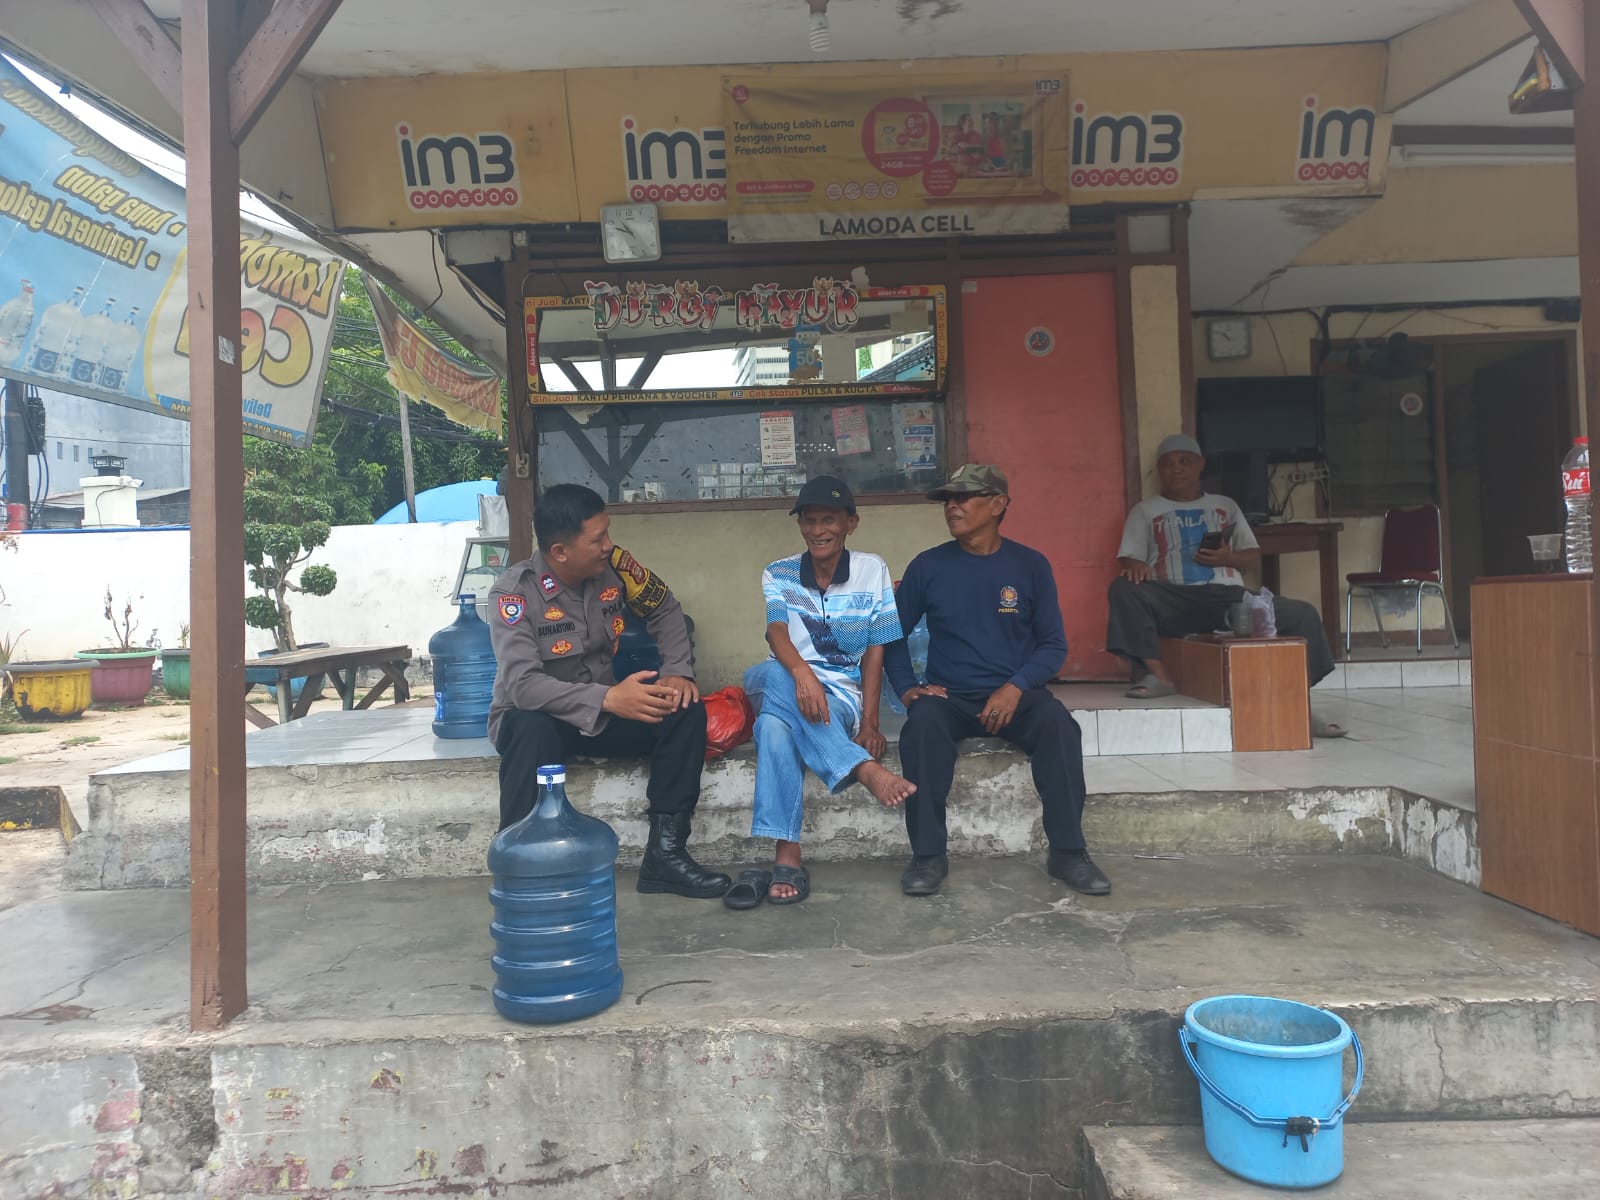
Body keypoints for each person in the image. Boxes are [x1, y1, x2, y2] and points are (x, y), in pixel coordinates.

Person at [487, 483, 732, 899]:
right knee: (529, 728)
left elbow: (666, 608)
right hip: (543, 719)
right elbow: (523, 686)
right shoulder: (514, 594)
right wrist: (609, 698)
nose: (608, 545)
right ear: (560, 551)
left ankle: (665, 857)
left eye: (607, 533)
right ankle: (521, 867)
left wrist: (677, 671)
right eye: (597, 538)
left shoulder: (615, 568)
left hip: (602, 711)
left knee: (682, 708)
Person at [884, 464, 1111, 898]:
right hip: (950, 698)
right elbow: (891, 635)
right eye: (947, 500)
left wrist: (1016, 686)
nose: (952, 507)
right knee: (922, 728)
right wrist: (908, 688)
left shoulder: (1030, 566)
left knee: (1060, 727)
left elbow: (1053, 645)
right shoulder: (928, 566)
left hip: (1015, 697)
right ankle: (928, 856)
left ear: (998, 504)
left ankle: (1068, 852)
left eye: (964, 497)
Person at [727, 477, 917, 909]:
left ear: (851, 523)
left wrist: (869, 722)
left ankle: (787, 857)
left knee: (774, 729)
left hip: (837, 698)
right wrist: (801, 673)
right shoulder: (778, 572)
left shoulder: (872, 570)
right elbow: (776, 632)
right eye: (809, 521)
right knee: (769, 675)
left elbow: (876, 649)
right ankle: (862, 770)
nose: (817, 530)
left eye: (828, 520)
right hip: (780, 678)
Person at [1107, 433, 1346, 737]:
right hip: (1172, 599)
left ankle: (1298, 701)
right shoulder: (1144, 510)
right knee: (1122, 588)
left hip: (1228, 598)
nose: (1176, 468)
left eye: (1184, 461)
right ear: (1160, 470)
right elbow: (1128, 558)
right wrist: (1135, 566)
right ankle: (1158, 676)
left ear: (1200, 465)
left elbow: (1252, 558)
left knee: (1303, 614)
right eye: (1168, 464)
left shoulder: (1225, 505)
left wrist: (1227, 557)